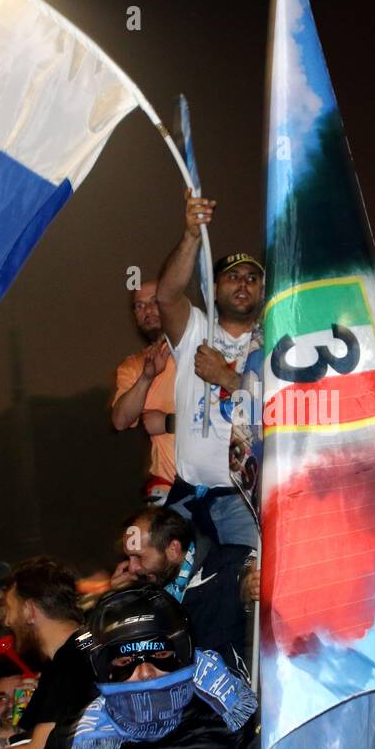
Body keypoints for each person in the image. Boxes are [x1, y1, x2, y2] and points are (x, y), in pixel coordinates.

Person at [16, 585, 290, 749]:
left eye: (160, 656)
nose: (145, 673)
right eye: (125, 663)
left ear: (183, 654)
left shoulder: (232, 721)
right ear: (104, 668)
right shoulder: (76, 738)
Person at [153, 189, 263, 548]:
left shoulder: (277, 344)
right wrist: (191, 235)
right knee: (170, 592)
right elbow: (166, 296)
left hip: (244, 500)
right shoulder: (197, 329)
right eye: (233, 277)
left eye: (252, 278)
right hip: (188, 496)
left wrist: (227, 378)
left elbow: (283, 413)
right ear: (214, 289)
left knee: (243, 593)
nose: (243, 283)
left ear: (262, 292)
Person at [0, 557, 94, 749]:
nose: (7, 622)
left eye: (10, 609)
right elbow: (20, 737)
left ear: (30, 611)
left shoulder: (75, 659)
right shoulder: (63, 659)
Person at [114, 505, 256, 671]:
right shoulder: (146, 593)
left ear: (173, 550)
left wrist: (250, 590)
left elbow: (252, 588)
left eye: (138, 557)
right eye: (129, 558)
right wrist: (120, 604)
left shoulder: (232, 566)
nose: (132, 568)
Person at [111, 280, 177, 505]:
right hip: (168, 485)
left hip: (217, 482)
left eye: (154, 302)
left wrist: (168, 423)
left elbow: (227, 414)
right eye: (139, 306)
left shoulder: (200, 348)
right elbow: (120, 421)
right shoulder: (132, 366)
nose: (147, 311)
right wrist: (147, 377)